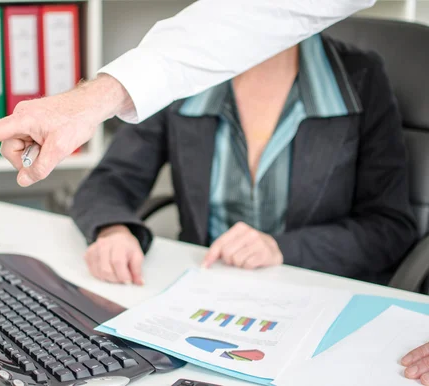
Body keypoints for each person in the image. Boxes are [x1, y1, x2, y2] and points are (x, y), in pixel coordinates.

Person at [69, 32, 417, 287]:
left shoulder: (359, 78)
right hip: (204, 291)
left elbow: (389, 227)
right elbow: (109, 182)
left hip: (319, 294)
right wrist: (114, 230)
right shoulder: (180, 75)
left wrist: (281, 249)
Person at [0, 0, 376, 186]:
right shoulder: (195, 85)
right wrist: (86, 102)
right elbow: (254, 17)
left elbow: (388, 226)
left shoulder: (358, 80)